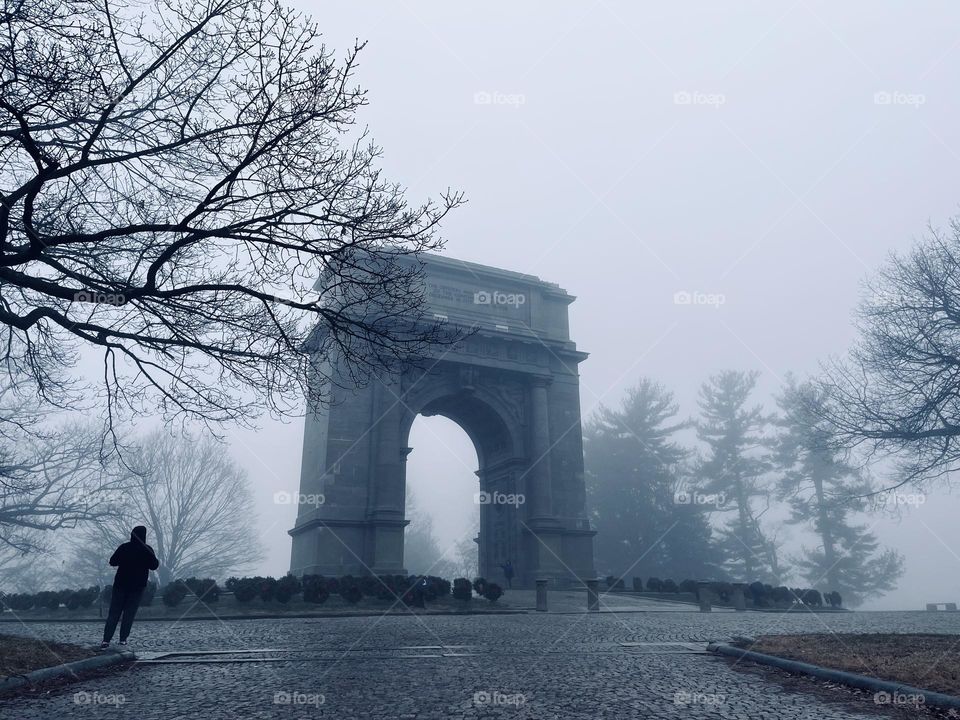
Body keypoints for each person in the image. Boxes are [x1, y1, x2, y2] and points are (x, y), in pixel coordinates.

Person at [101, 526, 159, 649]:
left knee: (114, 612)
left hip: (120, 585)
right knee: (129, 614)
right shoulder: (147, 549)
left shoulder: (124, 547)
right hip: (137, 587)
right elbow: (154, 565)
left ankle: (106, 640)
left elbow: (112, 561)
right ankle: (123, 639)